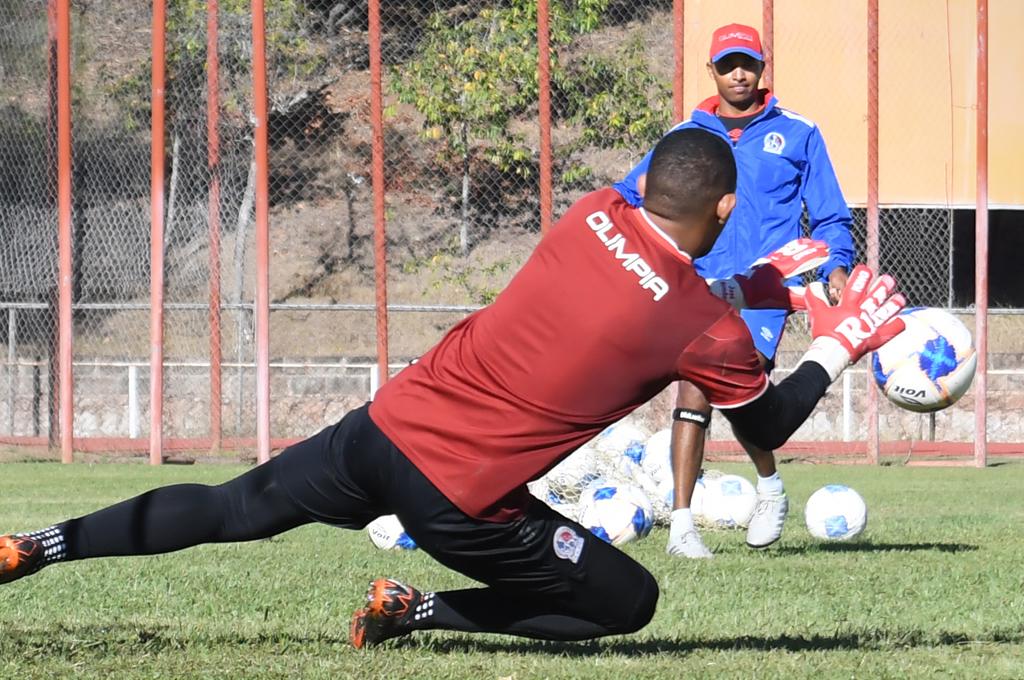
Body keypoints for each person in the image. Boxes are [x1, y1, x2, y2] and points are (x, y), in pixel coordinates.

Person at [0, 129, 903, 648]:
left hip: (383, 428)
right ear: (725, 209)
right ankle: (419, 609)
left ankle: (37, 545)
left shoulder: (593, 212)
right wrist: (843, 341)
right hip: (459, 499)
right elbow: (770, 416)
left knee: (234, 506)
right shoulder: (703, 330)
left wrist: (755, 283)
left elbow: (652, 289)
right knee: (628, 603)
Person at [614, 23, 857, 559]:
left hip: (764, 292)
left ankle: (769, 484)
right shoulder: (685, 136)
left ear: (762, 69)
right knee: (693, 390)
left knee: (740, 395)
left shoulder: (798, 133)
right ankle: (682, 528)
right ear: (712, 72)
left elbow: (831, 215)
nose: (738, 74)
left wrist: (837, 265)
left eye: (747, 63)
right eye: (727, 66)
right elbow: (629, 193)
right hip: (696, 285)